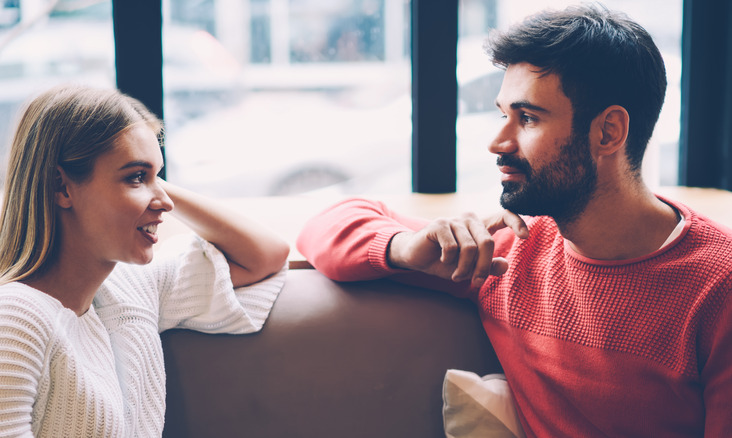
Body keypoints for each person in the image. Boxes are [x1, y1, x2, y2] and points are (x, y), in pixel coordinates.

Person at [296, 4, 732, 437]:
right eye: (502, 114)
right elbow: (323, 227)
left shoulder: (719, 288)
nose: (497, 142)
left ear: (608, 132)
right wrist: (406, 249)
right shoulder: (505, 254)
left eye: (527, 118)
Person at [0, 84, 290, 437]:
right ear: (61, 187)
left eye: (157, 176)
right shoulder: (10, 321)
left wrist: (149, 182)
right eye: (134, 177)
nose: (165, 202)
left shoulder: (127, 290)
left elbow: (264, 254)